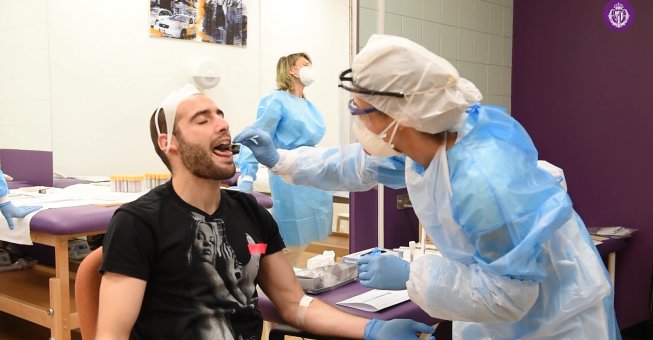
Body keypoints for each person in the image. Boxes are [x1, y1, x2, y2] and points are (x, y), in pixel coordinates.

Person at [234, 34, 621, 339]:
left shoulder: (480, 181)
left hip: (555, 320)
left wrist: (410, 274)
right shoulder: (427, 141)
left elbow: (509, 297)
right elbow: (355, 164)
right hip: (494, 307)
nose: (356, 120)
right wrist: (282, 160)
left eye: (359, 110)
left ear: (399, 115)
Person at [95, 83, 436, 340]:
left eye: (221, 115)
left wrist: (373, 329)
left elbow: (293, 304)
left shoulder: (249, 211)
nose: (222, 125)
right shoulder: (139, 222)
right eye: (203, 119)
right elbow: (112, 335)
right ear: (167, 143)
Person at [236, 52, 333, 265]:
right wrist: (246, 177)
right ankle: (268, 280)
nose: (310, 68)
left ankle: (287, 282)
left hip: (313, 171)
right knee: (290, 239)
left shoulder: (308, 105)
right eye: (305, 64)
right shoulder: (276, 100)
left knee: (306, 236)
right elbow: (257, 136)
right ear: (291, 70)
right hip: (288, 171)